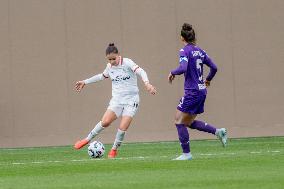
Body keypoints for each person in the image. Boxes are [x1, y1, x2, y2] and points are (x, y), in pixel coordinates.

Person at [74, 43, 156, 158]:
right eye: (109, 59)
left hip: (131, 100)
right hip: (117, 100)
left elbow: (141, 71)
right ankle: (86, 140)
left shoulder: (127, 62)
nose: (112, 61)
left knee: (123, 127)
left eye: (114, 58)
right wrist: (85, 82)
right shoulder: (109, 67)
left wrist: (147, 84)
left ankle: (114, 150)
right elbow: (101, 76)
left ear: (119, 55)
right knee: (105, 122)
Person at [168, 23, 227, 160]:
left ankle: (186, 154)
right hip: (201, 91)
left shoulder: (184, 51)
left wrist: (172, 72)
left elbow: (183, 68)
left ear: (182, 38)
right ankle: (218, 132)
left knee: (179, 122)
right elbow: (214, 67)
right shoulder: (201, 51)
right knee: (187, 122)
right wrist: (208, 79)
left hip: (192, 92)